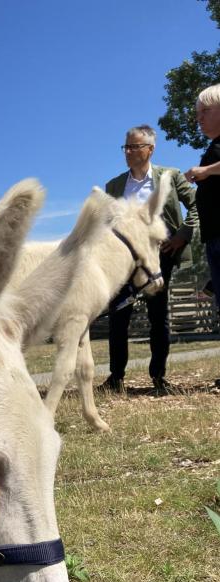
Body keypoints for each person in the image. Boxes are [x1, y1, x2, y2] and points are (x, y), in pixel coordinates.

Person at [101, 125, 198, 396]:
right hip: (124, 262)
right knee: (118, 317)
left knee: (158, 317)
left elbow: (196, 206)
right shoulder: (115, 185)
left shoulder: (171, 176)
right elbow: (107, 223)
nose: (128, 152)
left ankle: (158, 377)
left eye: (134, 147)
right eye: (126, 147)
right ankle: (115, 377)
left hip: (159, 258)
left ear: (150, 149)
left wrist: (182, 234)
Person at [185, 83, 220, 386]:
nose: (199, 118)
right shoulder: (212, 147)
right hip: (213, 237)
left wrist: (205, 172)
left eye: (205, 111)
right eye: (197, 114)